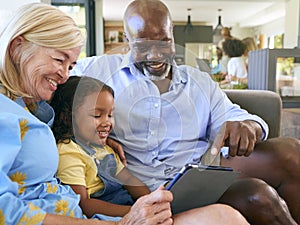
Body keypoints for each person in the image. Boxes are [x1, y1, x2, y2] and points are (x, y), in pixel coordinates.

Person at [0, 2, 251, 225]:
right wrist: (127, 220)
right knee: (225, 217)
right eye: (58, 59)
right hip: (98, 218)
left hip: (97, 211)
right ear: (17, 47)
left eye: (71, 65)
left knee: (233, 209)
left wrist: (96, 137)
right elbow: (6, 211)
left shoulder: (35, 105)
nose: (65, 75)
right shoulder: (9, 113)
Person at [71, 0, 300, 224]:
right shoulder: (96, 70)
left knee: (291, 152)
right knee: (259, 195)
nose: (155, 55)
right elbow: (51, 88)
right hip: (140, 189)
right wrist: (93, 132)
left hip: (200, 179)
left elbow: (234, 115)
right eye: (143, 46)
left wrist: (250, 126)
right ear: (126, 39)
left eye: (163, 42)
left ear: (172, 34)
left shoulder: (198, 81)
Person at [51, 76, 151, 217]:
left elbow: (128, 179)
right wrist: (135, 213)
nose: (106, 122)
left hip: (128, 207)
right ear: (68, 117)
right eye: (97, 115)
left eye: (110, 115)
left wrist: (151, 200)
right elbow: (82, 203)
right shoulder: (68, 151)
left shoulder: (103, 147)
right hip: (105, 214)